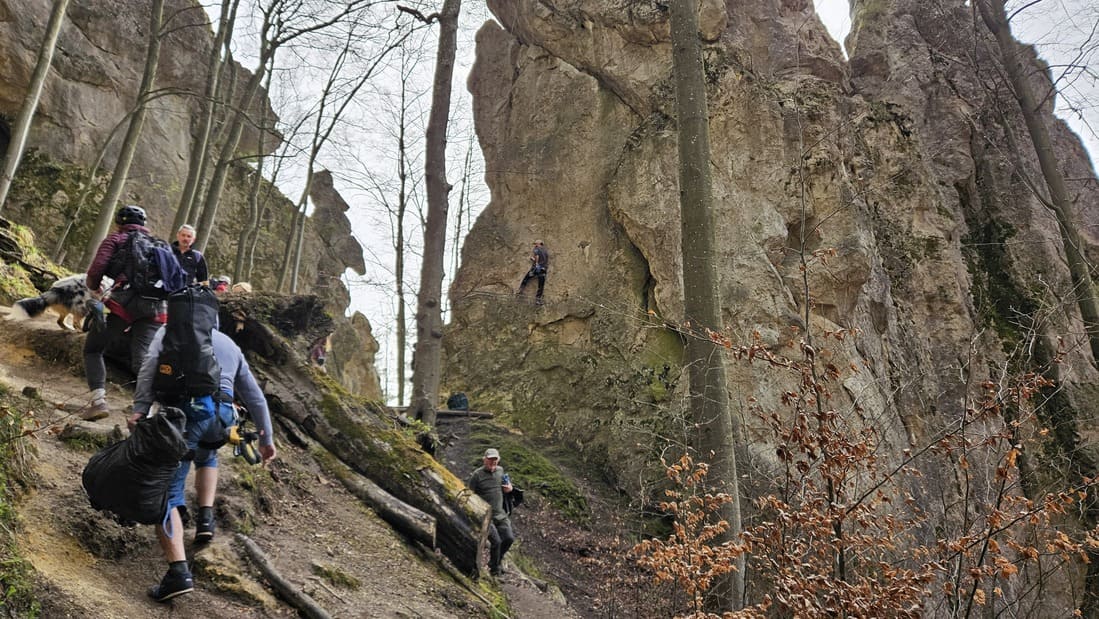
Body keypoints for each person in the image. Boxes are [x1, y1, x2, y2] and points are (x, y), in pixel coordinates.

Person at [129, 328, 277, 602]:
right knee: (208, 454)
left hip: (187, 414)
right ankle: (205, 518)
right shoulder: (230, 344)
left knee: (168, 491)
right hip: (222, 415)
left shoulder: (169, 331)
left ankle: (178, 573)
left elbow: (149, 367)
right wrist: (266, 437)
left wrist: (141, 407)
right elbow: (255, 396)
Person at [80, 205, 171, 421]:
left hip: (124, 303)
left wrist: (94, 286)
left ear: (119, 222)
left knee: (93, 349)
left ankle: (99, 401)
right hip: (156, 308)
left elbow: (96, 269)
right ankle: (146, 411)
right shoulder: (160, 244)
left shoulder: (116, 238)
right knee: (143, 359)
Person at [467, 447, 516, 576]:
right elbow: (469, 495)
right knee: (497, 542)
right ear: (484, 460)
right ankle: (495, 571)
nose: (493, 462)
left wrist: (509, 488)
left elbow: (507, 488)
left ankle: (495, 562)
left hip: (500, 514)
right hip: (486, 516)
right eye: (490, 459)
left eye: (495, 460)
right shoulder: (477, 475)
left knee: (509, 538)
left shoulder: (500, 471)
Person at [517, 240, 549, 305]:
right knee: (541, 285)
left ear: (540, 244)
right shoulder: (546, 252)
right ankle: (538, 300)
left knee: (527, 278)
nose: (535, 245)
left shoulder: (537, 249)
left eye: (536, 244)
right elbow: (545, 261)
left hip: (536, 268)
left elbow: (537, 256)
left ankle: (520, 290)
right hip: (543, 269)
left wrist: (535, 262)